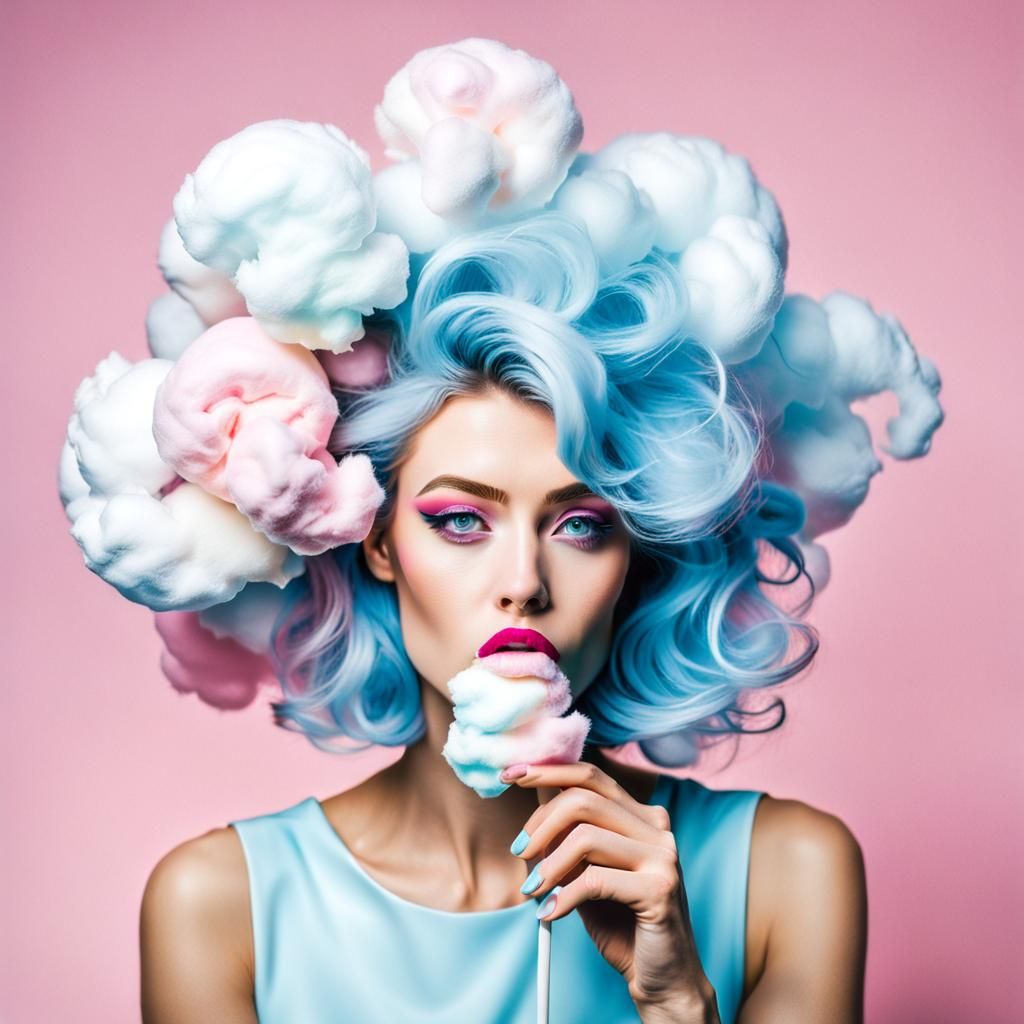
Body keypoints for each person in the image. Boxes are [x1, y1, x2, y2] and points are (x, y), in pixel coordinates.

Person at [56, 37, 942, 1024]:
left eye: (578, 523)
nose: (522, 578)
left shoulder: (785, 875)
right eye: (459, 519)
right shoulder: (221, 908)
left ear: (638, 550)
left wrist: (679, 999)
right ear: (379, 541)